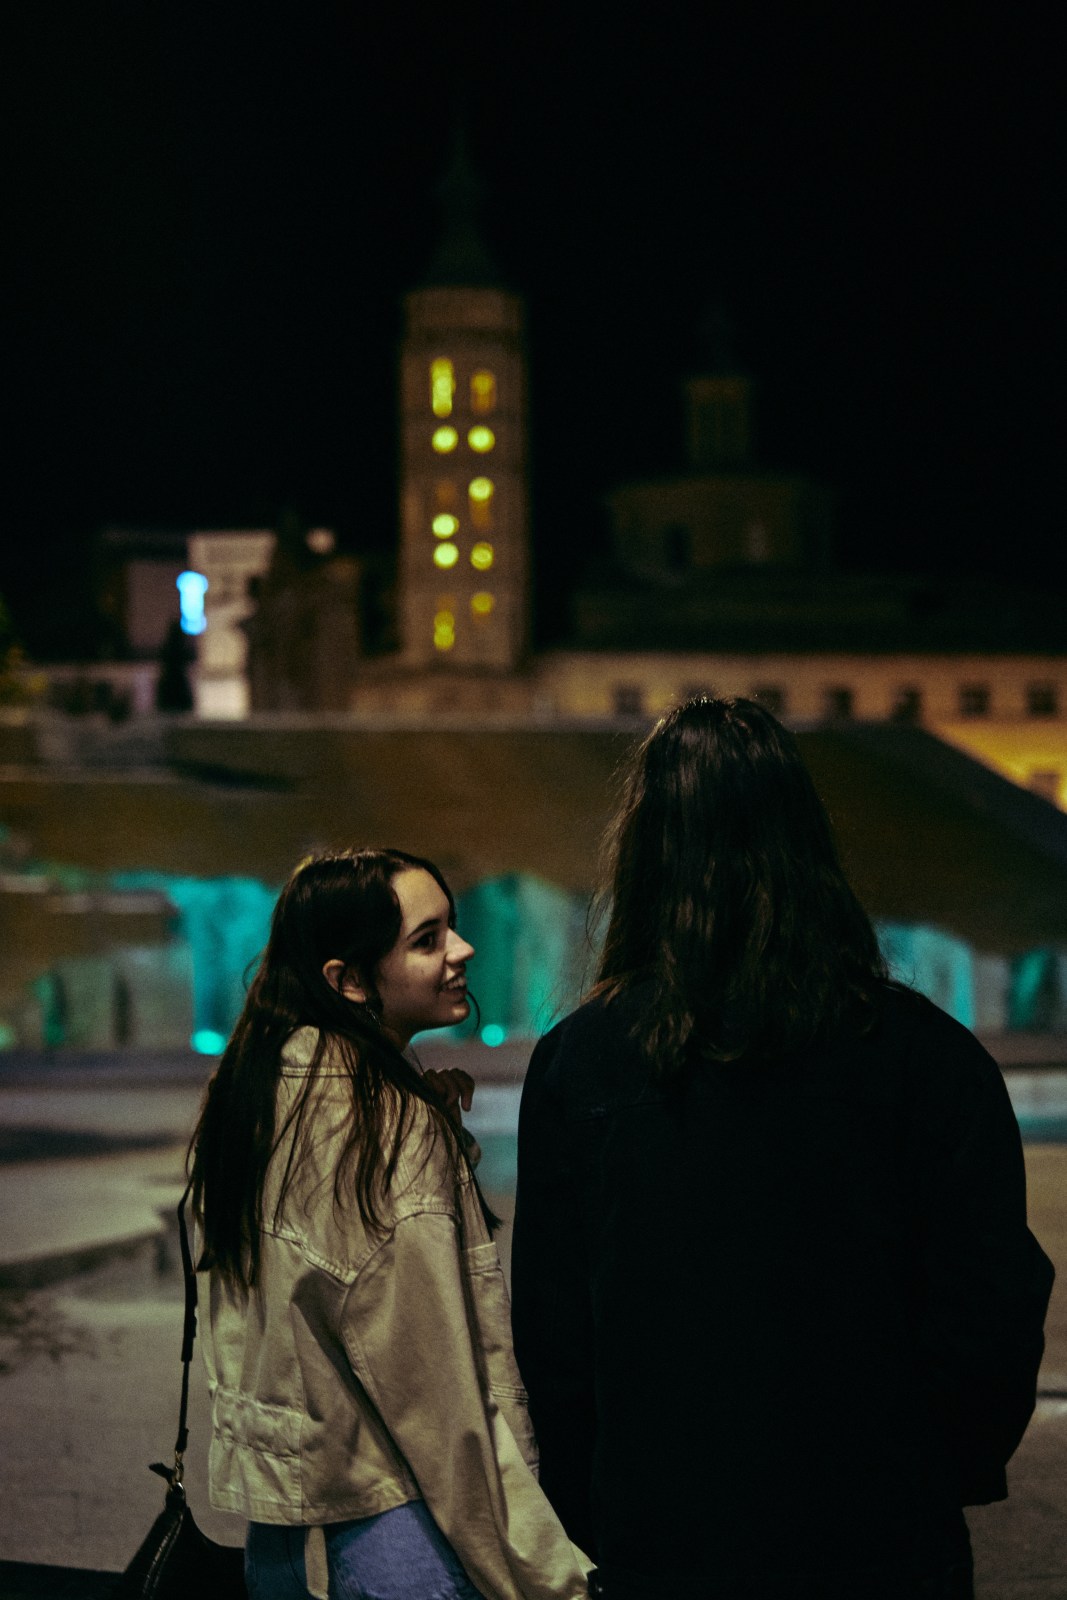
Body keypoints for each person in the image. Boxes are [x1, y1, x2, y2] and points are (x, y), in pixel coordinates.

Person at [511, 698, 1054, 1600]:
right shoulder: (926, 1056)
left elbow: (555, 1335)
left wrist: (592, 1506)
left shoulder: (582, 1061)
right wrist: (940, 1469)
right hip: (880, 1534)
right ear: (809, 839)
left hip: (664, 1535)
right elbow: (991, 1299)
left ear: (644, 852)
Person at [190, 848, 591, 1600]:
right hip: (398, 1543)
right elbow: (440, 1407)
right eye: (427, 939)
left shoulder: (258, 1091)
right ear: (345, 981)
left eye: (453, 928)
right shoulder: (384, 1130)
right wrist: (544, 1575)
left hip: (284, 1543)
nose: (462, 951)